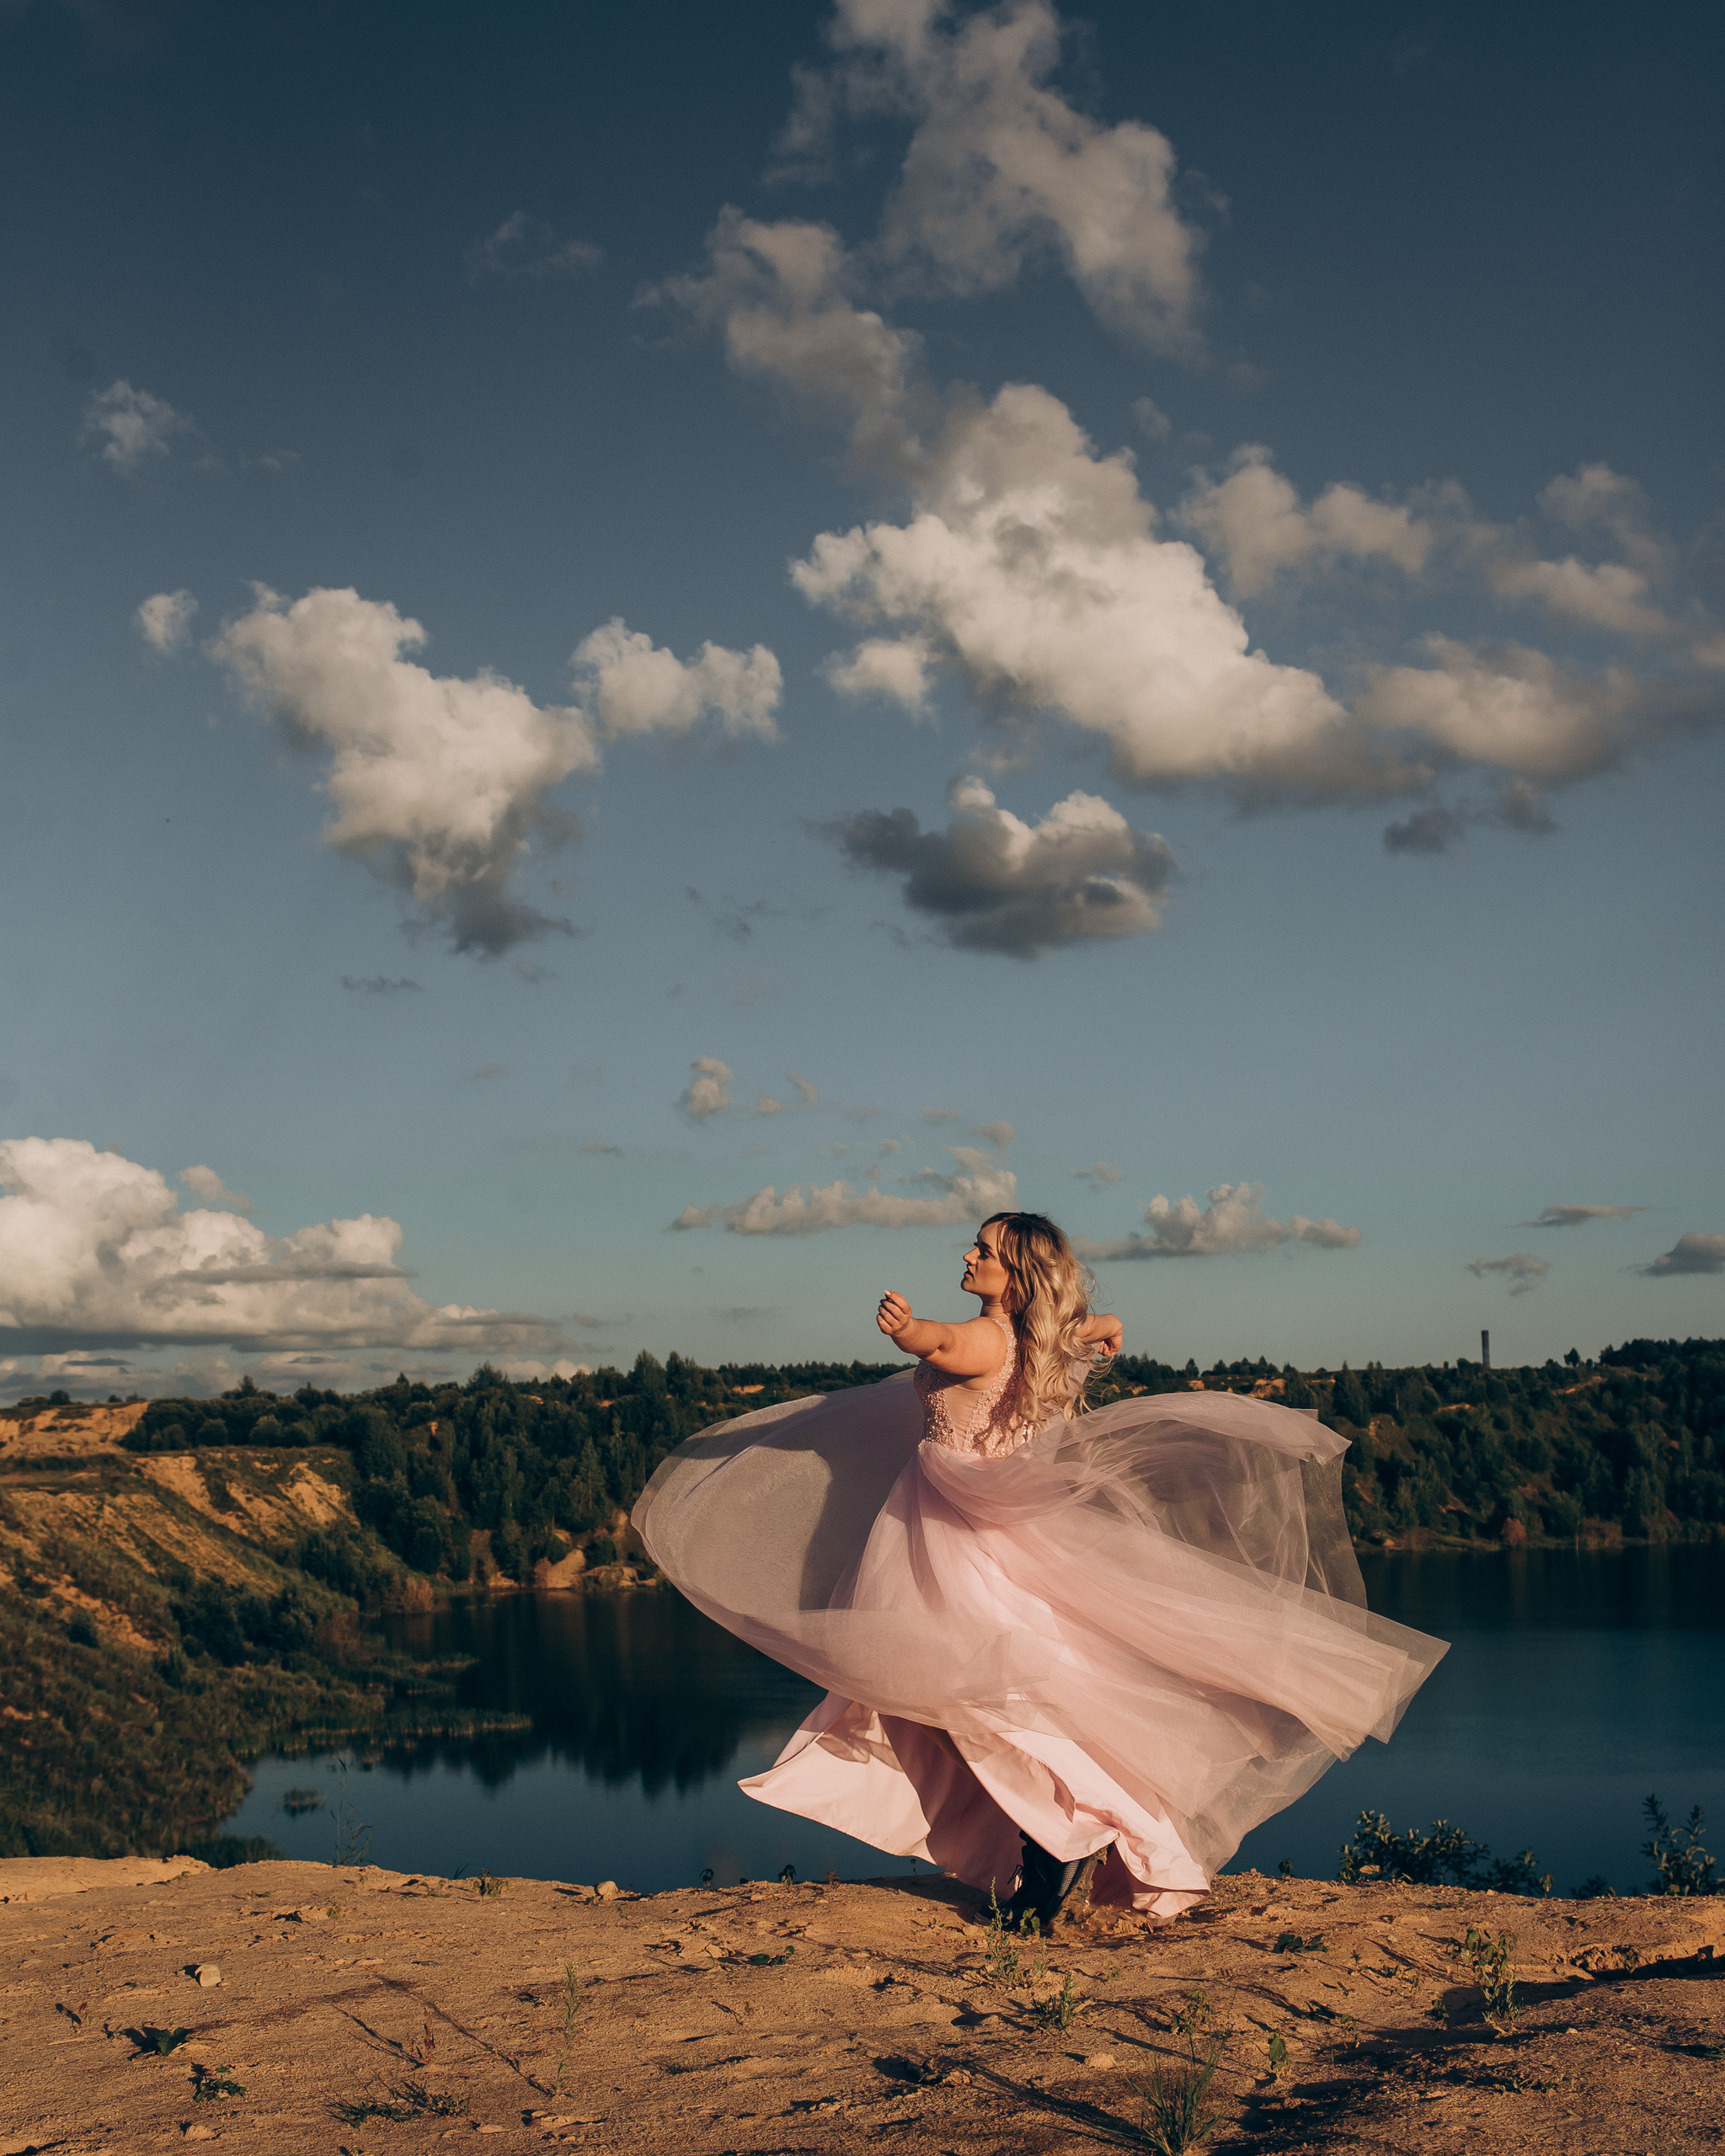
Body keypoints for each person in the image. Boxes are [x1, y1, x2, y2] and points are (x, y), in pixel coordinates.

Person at [633, 1209, 1445, 1930]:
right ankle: (1057, 1840)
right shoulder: (1039, 1339)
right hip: (980, 1515)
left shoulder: (985, 1335)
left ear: (1014, 1274)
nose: (970, 1256)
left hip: (950, 1527)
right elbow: (1073, 1331)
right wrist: (1104, 1325)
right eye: (974, 1245)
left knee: (967, 1696)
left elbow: (947, 1343)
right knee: (984, 1694)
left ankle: (1055, 1846)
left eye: (984, 1250)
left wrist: (907, 1332)